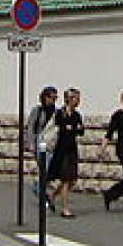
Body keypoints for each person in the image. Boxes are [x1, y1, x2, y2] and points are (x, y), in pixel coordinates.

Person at [47, 87, 86, 218]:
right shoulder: (60, 113)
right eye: (76, 98)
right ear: (69, 99)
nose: (78, 101)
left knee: (73, 180)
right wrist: (73, 127)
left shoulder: (77, 115)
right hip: (62, 149)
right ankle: (65, 208)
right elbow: (62, 128)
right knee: (65, 179)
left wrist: (72, 127)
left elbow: (81, 130)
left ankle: (52, 195)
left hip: (72, 148)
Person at [23, 86, 59, 210]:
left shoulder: (57, 112)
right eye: (51, 97)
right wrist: (30, 144)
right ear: (45, 97)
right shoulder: (37, 111)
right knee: (45, 170)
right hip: (40, 144)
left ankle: (40, 190)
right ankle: (40, 192)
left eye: (55, 98)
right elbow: (30, 127)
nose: (53, 100)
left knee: (48, 172)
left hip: (52, 145)